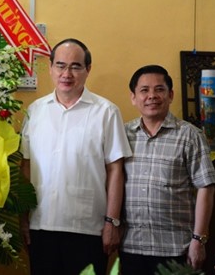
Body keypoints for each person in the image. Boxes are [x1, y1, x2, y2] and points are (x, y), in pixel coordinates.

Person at [20, 38, 132, 275]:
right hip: (41, 226)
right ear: (50, 68)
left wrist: (112, 222)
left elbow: (115, 170)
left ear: (88, 69)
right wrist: (23, 219)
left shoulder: (106, 112)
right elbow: (26, 166)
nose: (66, 73)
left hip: (89, 230)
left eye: (75, 66)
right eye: (60, 65)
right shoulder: (36, 111)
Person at [120, 65, 215, 274]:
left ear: (170, 94)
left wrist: (198, 240)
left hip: (176, 248)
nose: (152, 96)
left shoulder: (190, 135)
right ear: (133, 97)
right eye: (144, 90)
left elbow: (206, 187)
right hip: (131, 246)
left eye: (159, 89)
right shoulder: (123, 134)